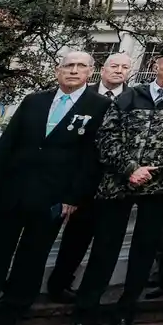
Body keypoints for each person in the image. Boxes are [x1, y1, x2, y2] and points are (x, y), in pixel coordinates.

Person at [0, 53, 111, 325]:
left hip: (53, 200)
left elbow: (92, 159)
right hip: (12, 193)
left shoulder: (100, 106)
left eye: (80, 66)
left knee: (32, 261)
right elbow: (6, 145)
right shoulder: (34, 100)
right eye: (67, 65)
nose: (73, 71)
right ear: (57, 70)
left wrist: (73, 198)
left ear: (91, 72)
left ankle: (6, 322)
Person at [55, 44, 163, 325]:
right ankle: (86, 314)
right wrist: (129, 168)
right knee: (103, 249)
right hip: (118, 183)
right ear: (157, 64)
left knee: (144, 250)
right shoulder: (131, 94)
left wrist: (151, 169)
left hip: (157, 185)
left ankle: (125, 312)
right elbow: (107, 135)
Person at [44, 52, 132, 303]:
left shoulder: (132, 98)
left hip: (110, 181)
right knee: (70, 236)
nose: (119, 71)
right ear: (101, 69)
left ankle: (90, 292)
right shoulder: (80, 93)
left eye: (125, 67)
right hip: (72, 179)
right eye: (114, 66)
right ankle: (58, 282)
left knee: (101, 239)